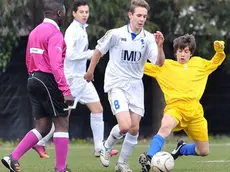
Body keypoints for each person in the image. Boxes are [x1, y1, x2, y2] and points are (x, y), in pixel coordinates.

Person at [84, 0, 165, 171]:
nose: (142, 19)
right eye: (138, 15)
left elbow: (159, 63)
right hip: (117, 83)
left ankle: (121, 164)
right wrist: (90, 71)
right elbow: (99, 51)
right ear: (130, 15)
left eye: (144, 16)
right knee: (125, 126)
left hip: (135, 85)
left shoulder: (149, 38)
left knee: (134, 129)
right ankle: (106, 146)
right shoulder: (116, 34)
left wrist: (160, 47)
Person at [32, 0, 118, 159]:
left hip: (82, 80)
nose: (85, 15)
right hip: (71, 80)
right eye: (81, 12)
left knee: (98, 109)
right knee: (62, 118)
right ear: (74, 14)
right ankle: (40, 141)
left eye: (87, 12)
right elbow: (70, 54)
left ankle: (99, 148)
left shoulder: (82, 29)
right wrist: (92, 53)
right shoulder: (72, 31)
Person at [1, 0, 74, 172]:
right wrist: (66, 90)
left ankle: (12, 157)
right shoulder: (55, 33)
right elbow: (56, 65)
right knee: (62, 122)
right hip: (47, 78)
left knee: (43, 126)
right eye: (63, 13)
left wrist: (34, 78)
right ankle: (61, 169)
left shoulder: (34, 32)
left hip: (33, 78)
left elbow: (28, 59)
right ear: (59, 14)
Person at [138, 34, 226, 172]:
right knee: (165, 127)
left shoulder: (200, 64)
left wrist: (219, 50)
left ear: (191, 53)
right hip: (175, 108)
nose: (182, 54)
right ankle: (149, 158)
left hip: (195, 113)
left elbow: (216, 61)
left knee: (203, 151)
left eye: (186, 51)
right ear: (175, 52)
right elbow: (140, 66)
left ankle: (181, 149)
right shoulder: (165, 65)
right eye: (180, 51)